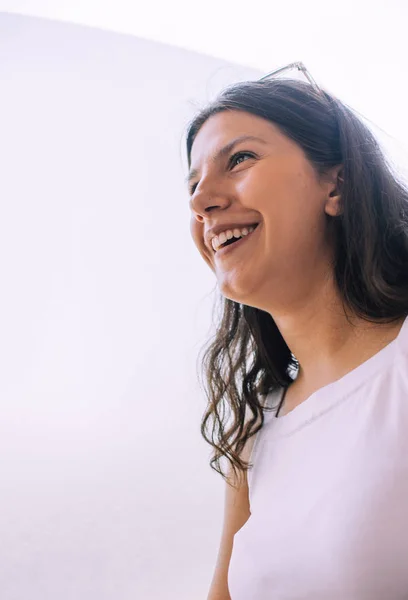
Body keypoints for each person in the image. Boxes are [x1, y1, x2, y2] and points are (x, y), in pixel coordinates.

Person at [184, 64, 408, 600]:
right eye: (192, 185)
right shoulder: (255, 428)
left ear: (338, 183)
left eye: (239, 159)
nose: (200, 201)